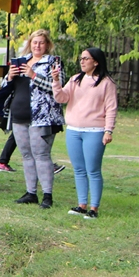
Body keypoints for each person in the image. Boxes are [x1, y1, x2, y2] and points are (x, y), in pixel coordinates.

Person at [52, 47, 118, 219]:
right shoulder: (75, 80)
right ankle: (82, 205)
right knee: (79, 169)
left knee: (93, 170)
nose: (82, 61)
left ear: (95, 62)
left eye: (86, 59)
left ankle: (94, 208)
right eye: (81, 58)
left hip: (94, 131)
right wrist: (56, 81)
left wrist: (108, 130)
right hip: (74, 130)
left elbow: (111, 108)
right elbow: (61, 98)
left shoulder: (106, 83)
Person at [3, 29, 64, 209]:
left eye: (41, 43)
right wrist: (10, 76)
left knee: (41, 155)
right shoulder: (22, 61)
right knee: (26, 155)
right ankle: (31, 192)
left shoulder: (53, 62)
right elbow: (5, 86)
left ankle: (47, 195)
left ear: (47, 45)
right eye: (34, 42)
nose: (37, 46)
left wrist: (34, 75)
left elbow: (57, 88)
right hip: (19, 114)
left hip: (42, 117)